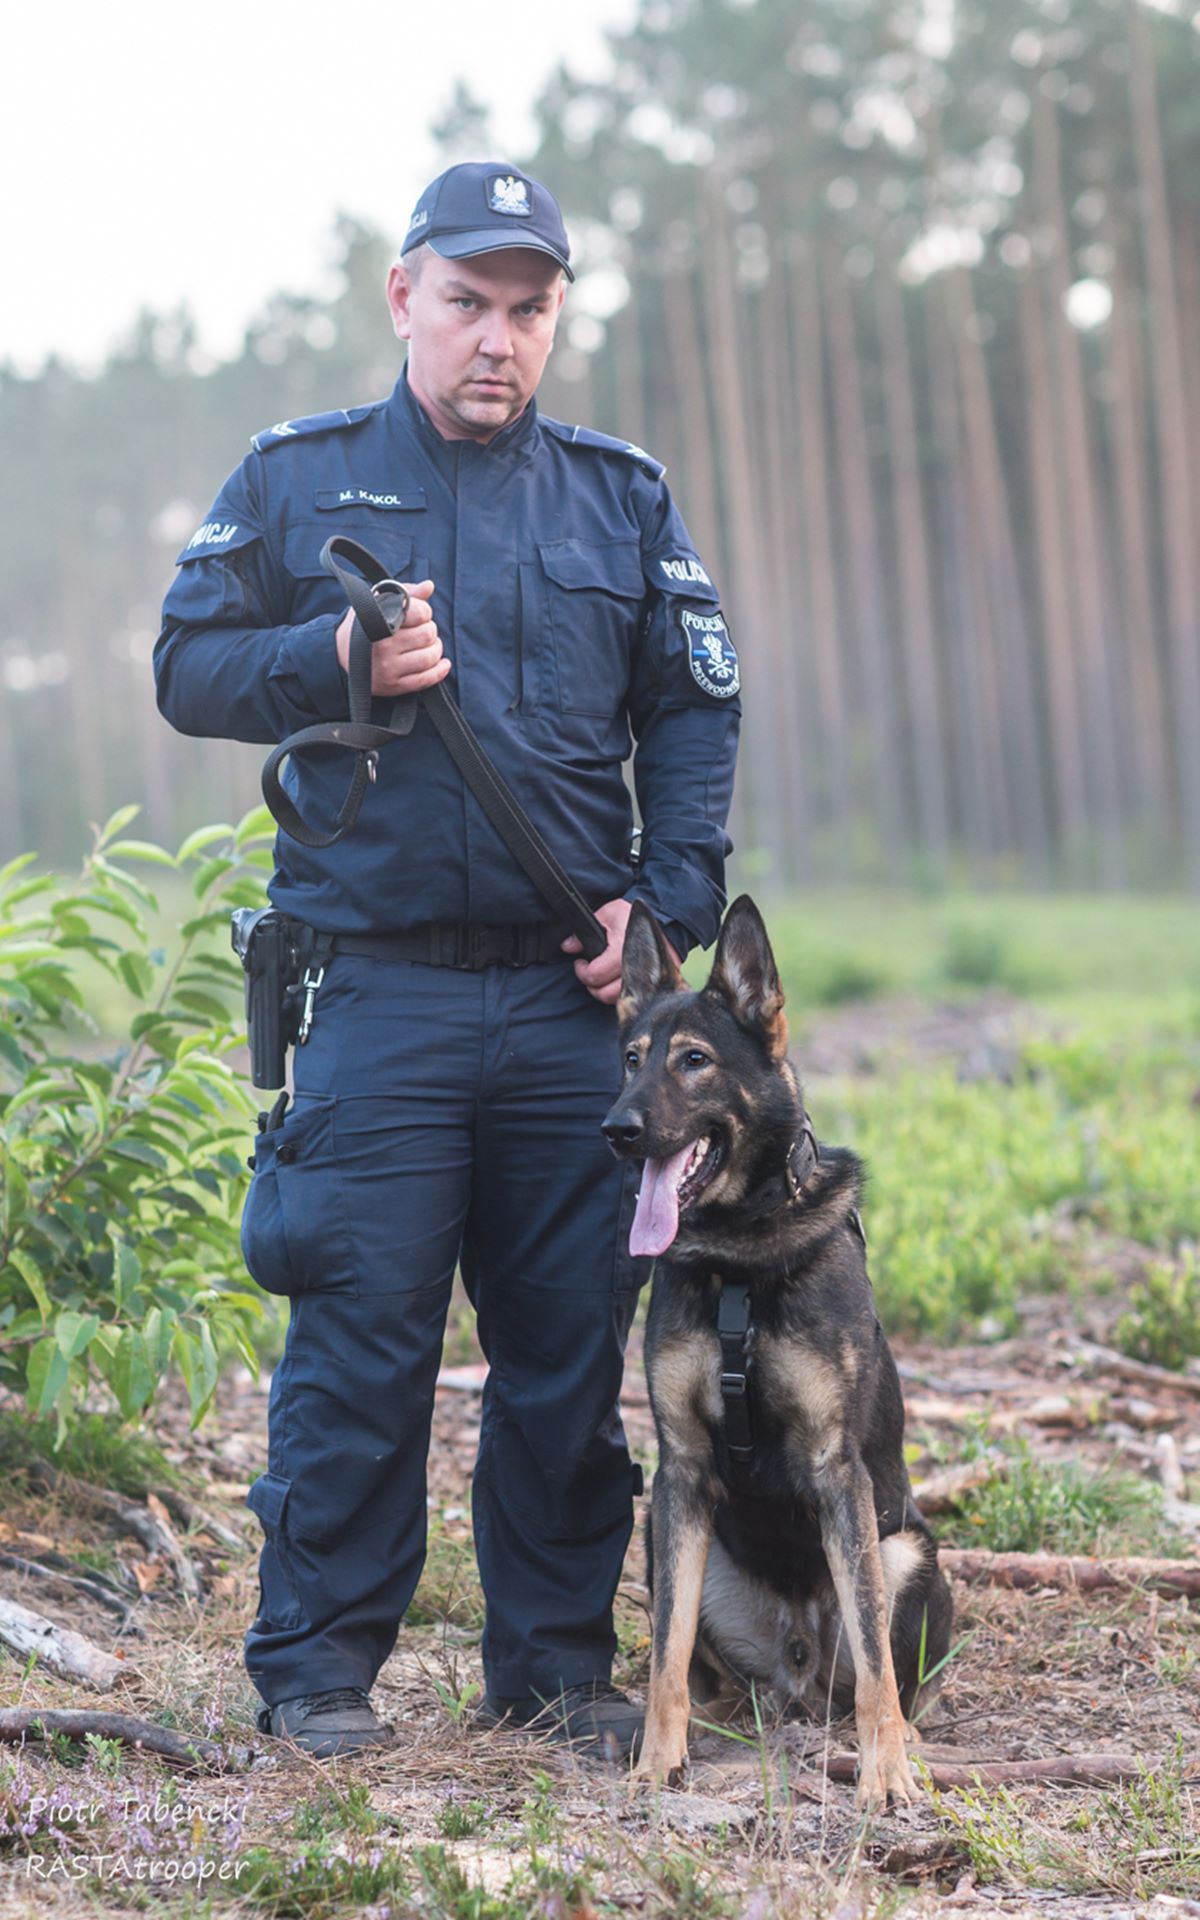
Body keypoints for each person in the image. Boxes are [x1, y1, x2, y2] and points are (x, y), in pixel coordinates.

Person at [154, 161, 741, 1761]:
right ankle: (317, 1673)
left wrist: (662, 910)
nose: (500, 338)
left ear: (555, 319)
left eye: (529, 309)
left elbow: (695, 712)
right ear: (403, 295)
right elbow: (187, 667)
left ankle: (553, 1670)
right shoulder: (299, 478)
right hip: (379, 992)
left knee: (565, 1351)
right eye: (470, 302)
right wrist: (334, 651)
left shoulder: (621, 498)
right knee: (359, 1342)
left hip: (571, 1004)